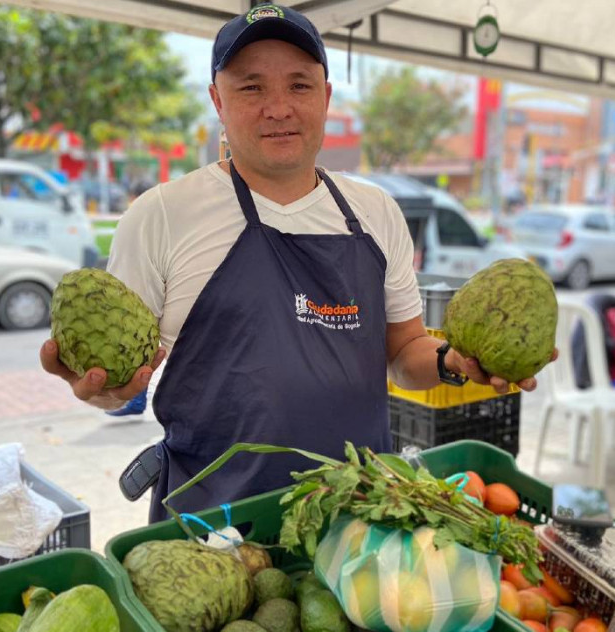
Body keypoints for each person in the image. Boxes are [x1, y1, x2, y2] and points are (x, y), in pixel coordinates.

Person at [39, 4, 551, 519]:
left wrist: (452, 363)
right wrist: (104, 392)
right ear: (218, 100)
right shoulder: (161, 216)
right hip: (211, 533)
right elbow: (125, 379)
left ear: (326, 97)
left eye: (300, 86)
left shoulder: (376, 213)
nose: (279, 107)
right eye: (252, 86)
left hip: (357, 520)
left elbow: (404, 352)